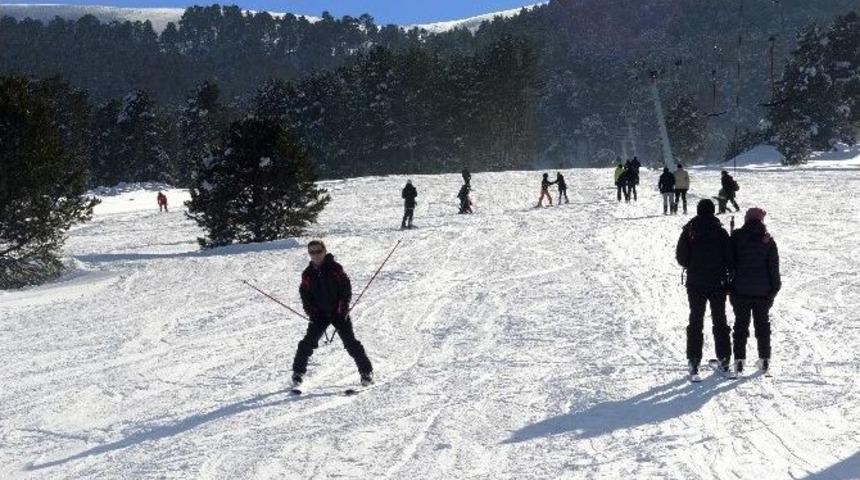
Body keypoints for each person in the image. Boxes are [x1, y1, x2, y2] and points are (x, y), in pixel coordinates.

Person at [292, 240, 374, 388]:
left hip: (338, 312)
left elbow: (345, 288)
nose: (315, 255)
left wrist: (343, 308)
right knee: (307, 343)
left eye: (318, 251)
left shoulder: (335, 269)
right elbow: (304, 293)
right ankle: (298, 373)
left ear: (324, 251)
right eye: (312, 252)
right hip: (319, 315)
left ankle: (366, 372)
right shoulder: (308, 273)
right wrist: (310, 310)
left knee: (351, 343)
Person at [676, 199, 734, 379]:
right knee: (720, 320)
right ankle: (724, 359)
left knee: (695, 320)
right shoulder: (721, 231)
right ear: (713, 211)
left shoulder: (690, 230)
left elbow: (682, 258)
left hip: (696, 282)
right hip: (718, 282)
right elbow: (730, 259)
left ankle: (694, 360)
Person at [729, 207, 781, 375]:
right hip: (763, 291)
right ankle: (764, 359)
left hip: (740, 290)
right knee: (763, 326)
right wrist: (774, 290)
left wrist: (731, 286)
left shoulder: (736, 236)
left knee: (740, 325)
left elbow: (730, 262)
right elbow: (774, 268)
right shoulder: (768, 240)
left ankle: (738, 361)